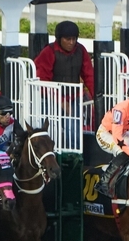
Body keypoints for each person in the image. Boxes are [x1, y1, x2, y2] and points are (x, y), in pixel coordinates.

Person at [34, 20, 95, 149]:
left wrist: (96, 97)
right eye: (68, 39)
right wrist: (60, 101)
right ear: (59, 38)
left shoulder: (81, 50)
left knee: (74, 132)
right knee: (51, 132)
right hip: (50, 99)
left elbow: (89, 75)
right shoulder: (48, 52)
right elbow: (43, 81)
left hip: (74, 97)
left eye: (74, 39)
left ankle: (73, 158)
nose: (71, 42)